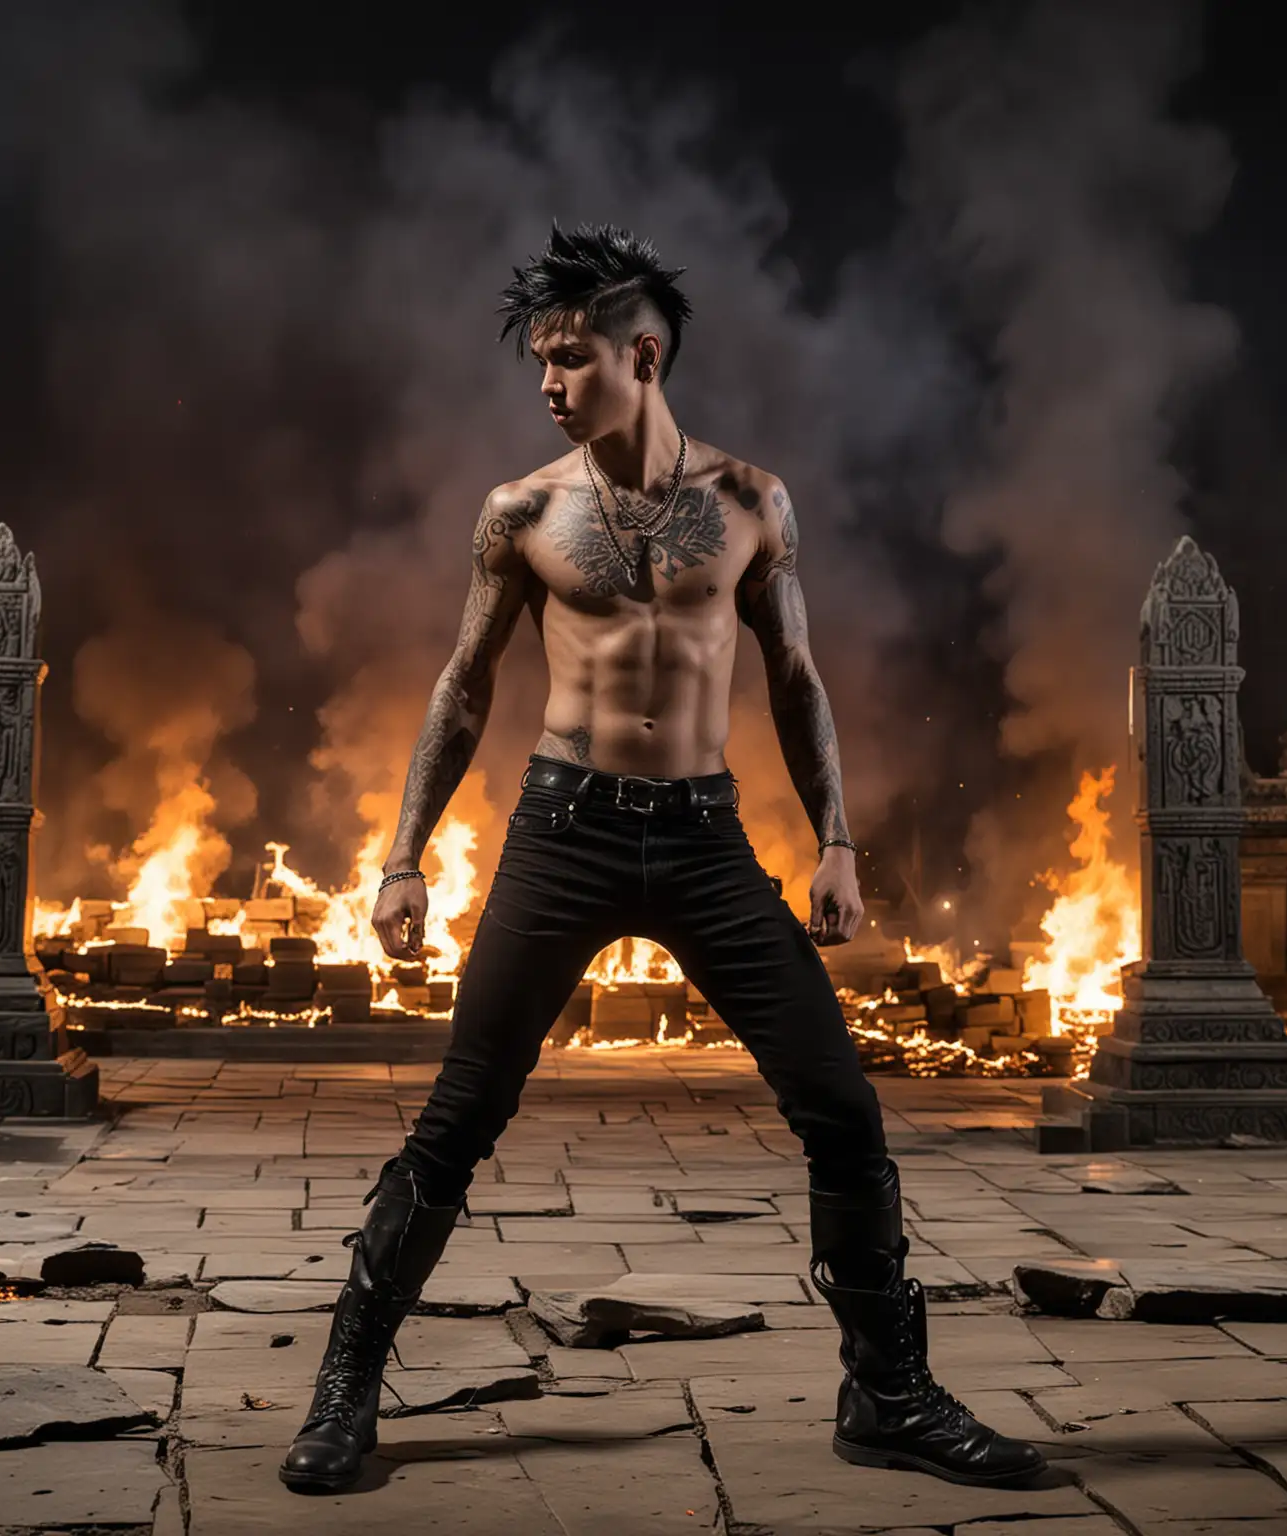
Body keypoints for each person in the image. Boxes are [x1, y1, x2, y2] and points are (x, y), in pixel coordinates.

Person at [280, 224, 1047, 1495]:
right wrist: (403, 853)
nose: (547, 384)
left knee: (844, 1111)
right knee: (460, 1118)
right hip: (561, 831)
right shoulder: (520, 510)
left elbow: (796, 680)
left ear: (642, 354)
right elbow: (463, 686)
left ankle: (890, 1397)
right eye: (539, 361)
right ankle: (345, 1387)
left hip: (703, 836)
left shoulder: (751, 502)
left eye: (570, 359)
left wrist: (838, 841)